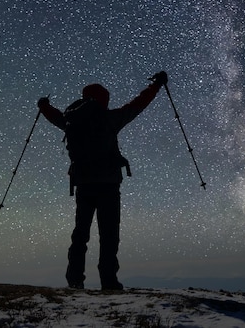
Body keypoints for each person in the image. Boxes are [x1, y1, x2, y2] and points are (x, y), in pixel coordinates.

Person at [37, 71, 168, 290]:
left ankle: (75, 280)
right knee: (108, 236)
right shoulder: (110, 119)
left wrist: (43, 106)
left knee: (80, 234)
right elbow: (137, 104)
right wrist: (156, 86)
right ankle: (108, 281)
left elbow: (54, 116)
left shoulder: (72, 121)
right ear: (104, 99)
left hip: (83, 185)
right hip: (108, 185)